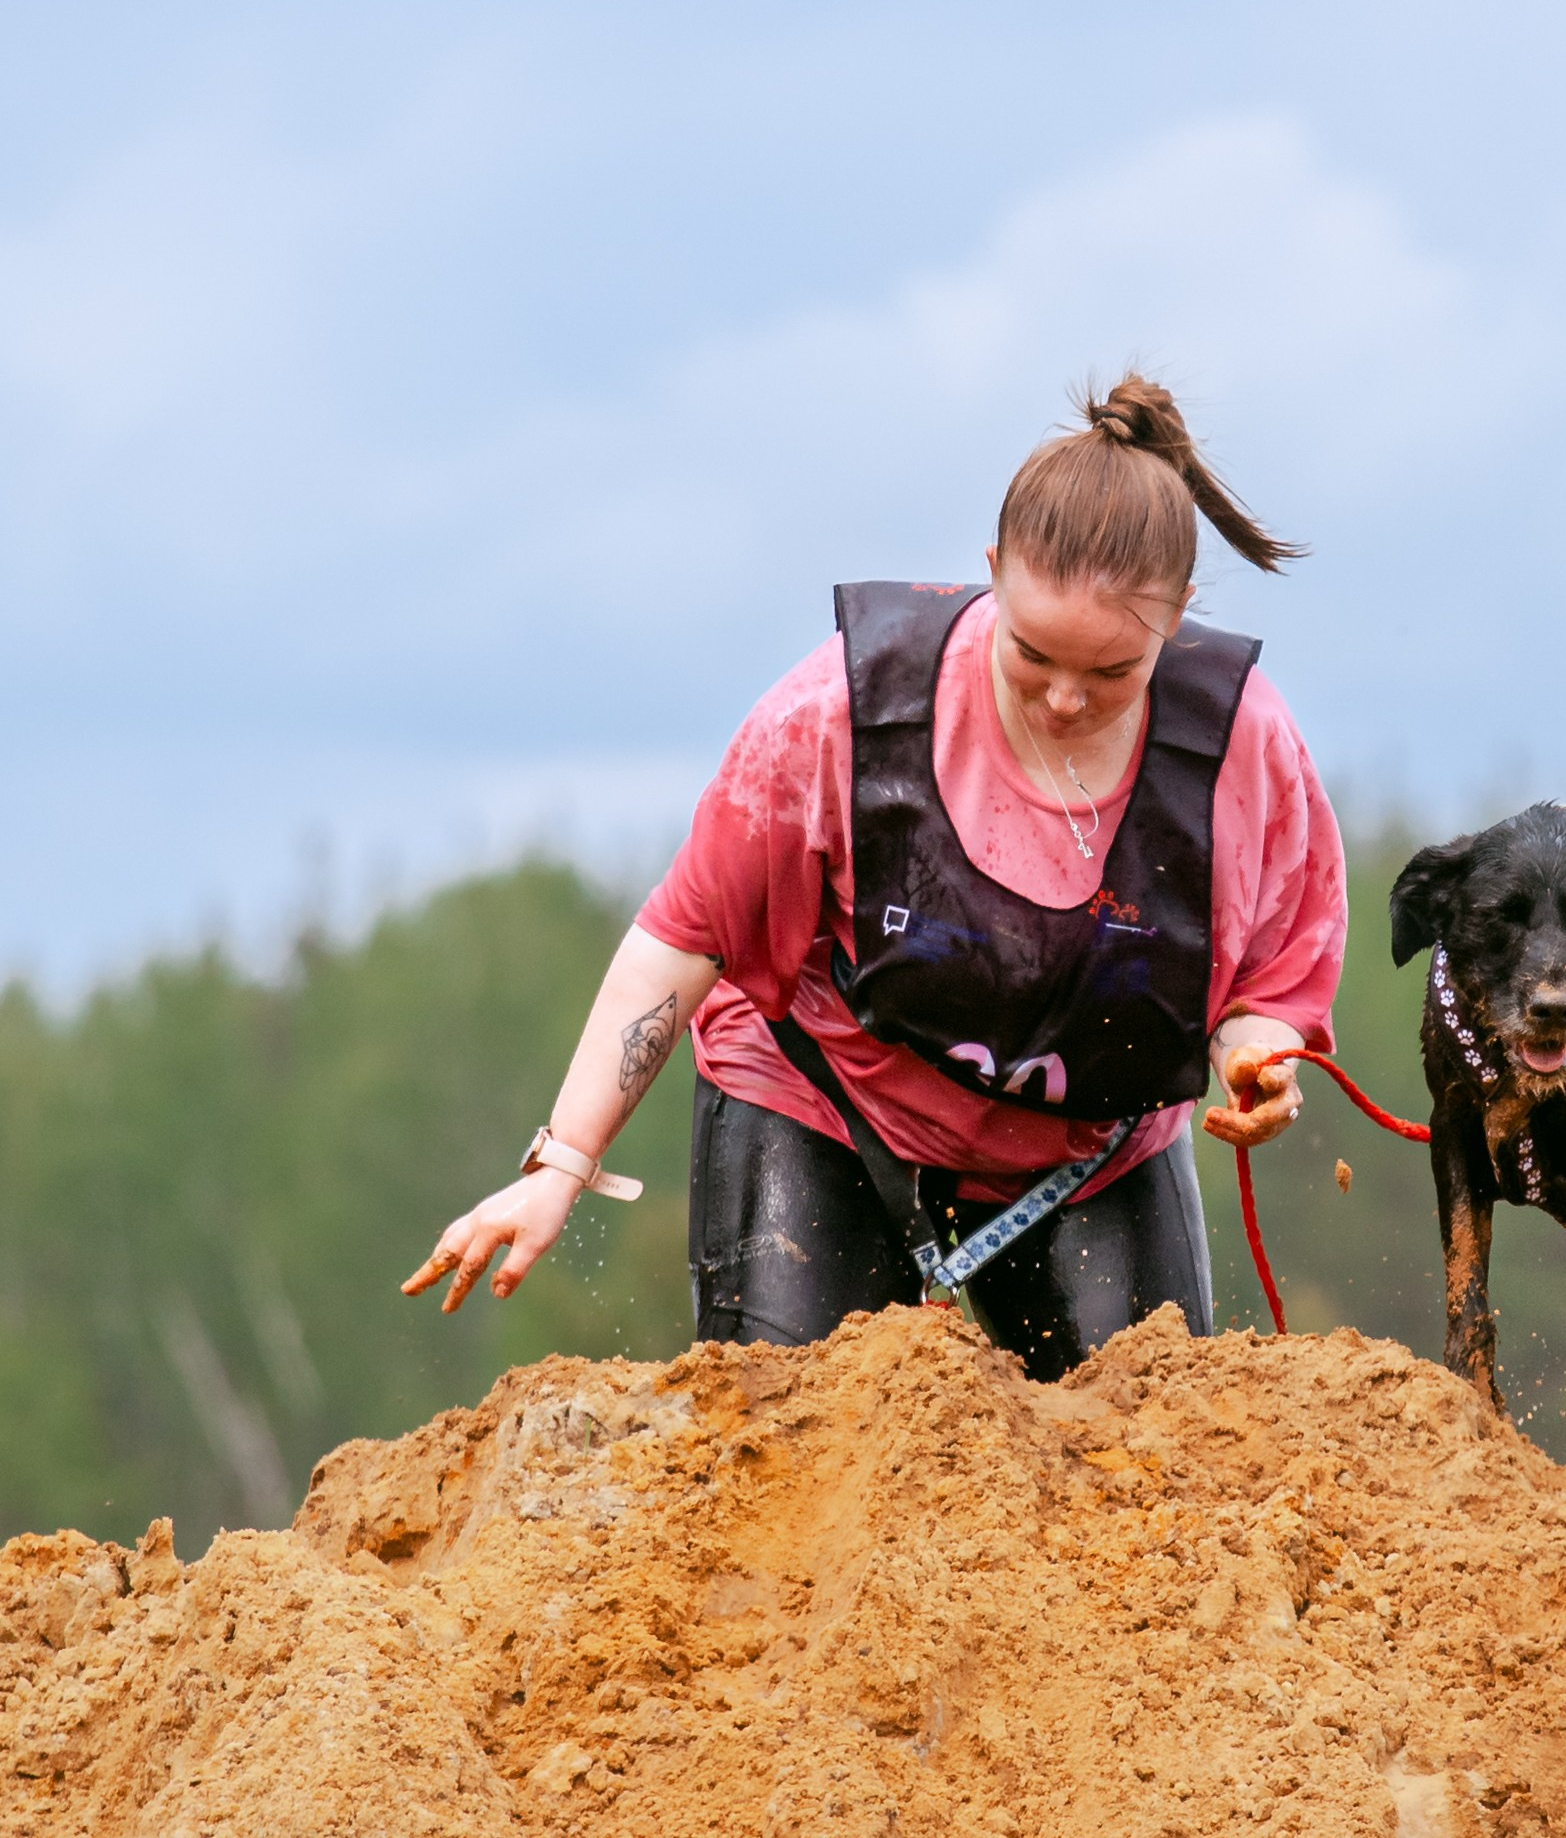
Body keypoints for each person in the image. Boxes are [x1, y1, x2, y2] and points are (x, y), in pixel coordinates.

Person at [405, 377, 1346, 1379]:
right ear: (991, 576)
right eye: (1031, 655)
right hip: (827, 1110)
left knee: (1151, 1468)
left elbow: (1264, 986)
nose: (1067, 699)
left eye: (1113, 671)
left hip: (1089, 1156)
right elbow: (675, 948)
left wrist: (1260, 1063)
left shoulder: (1242, 747)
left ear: (1179, 616)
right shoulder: (832, 717)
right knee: (782, 1451)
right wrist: (561, 1165)